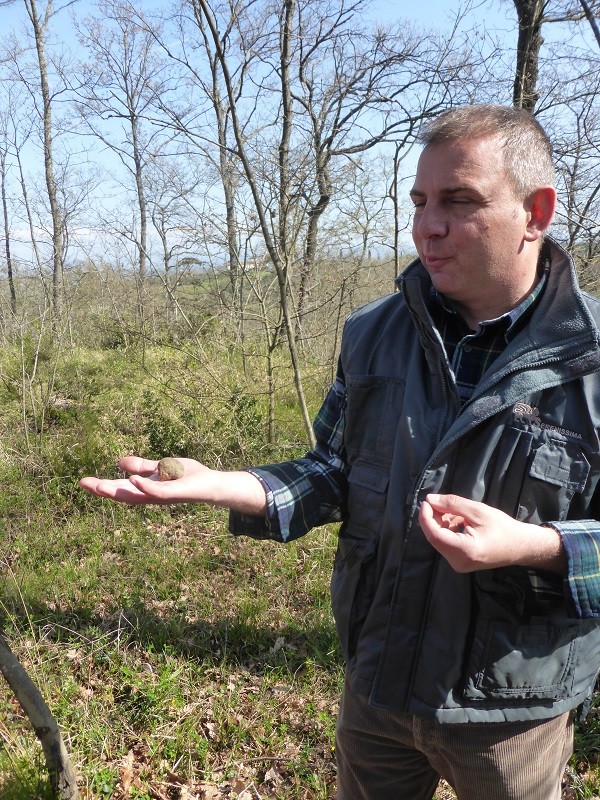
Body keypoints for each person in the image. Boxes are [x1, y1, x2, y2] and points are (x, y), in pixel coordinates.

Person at [80, 104, 600, 800]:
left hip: (512, 711)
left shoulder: (592, 358)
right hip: (378, 683)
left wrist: (533, 545)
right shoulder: (372, 335)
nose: (428, 226)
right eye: (419, 201)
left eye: (460, 201)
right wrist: (222, 485)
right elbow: (333, 471)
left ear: (536, 212)